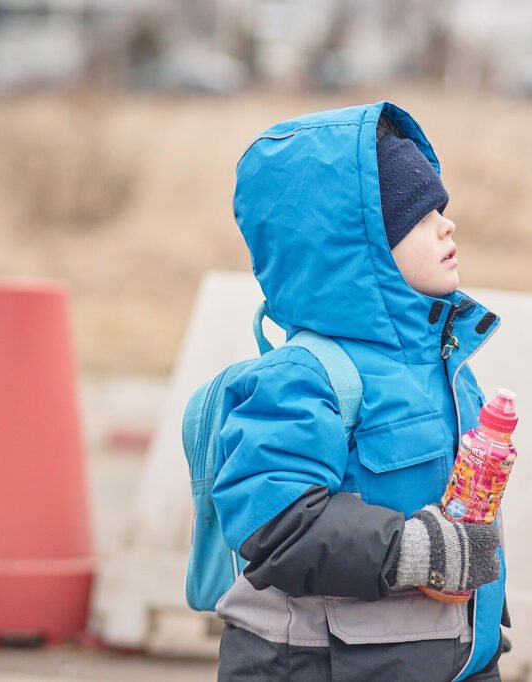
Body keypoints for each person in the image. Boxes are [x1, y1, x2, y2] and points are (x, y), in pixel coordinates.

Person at [211, 102, 509, 681]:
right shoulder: (304, 377)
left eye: (442, 209)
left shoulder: (446, 364)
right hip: (321, 666)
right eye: (420, 218)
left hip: (448, 659)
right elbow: (276, 525)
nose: (447, 225)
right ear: (359, 250)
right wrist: (417, 551)